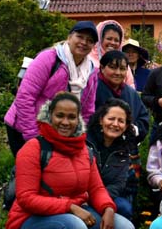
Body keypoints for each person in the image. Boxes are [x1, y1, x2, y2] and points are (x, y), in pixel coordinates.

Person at [5, 93, 135, 229]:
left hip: (73, 216)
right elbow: (26, 198)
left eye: (71, 117)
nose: (65, 122)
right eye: (60, 116)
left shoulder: (83, 149)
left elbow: (96, 188)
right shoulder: (34, 149)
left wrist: (108, 208)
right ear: (49, 116)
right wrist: (70, 207)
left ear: (78, 119)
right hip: (31, 221)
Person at [5, 21, 99, 157]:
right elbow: (25, 96)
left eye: (89, 40)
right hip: (24, 126)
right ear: (69, 37)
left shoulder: (90, 72)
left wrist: (77, 137)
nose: (84, 42)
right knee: (29, 172)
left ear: (93, 46)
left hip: (57, 131)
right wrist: (33, 136)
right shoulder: (49, 58)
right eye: (80, 37)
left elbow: (87, 110)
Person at [86, 99, 137, 220]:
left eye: (121, 121)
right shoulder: (85, 143)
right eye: (111, 119)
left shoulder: (125, 151)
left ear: (126, 126)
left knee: (125, 208)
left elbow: (119, 184)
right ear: (101, 120)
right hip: (83, 196)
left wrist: (100, 198)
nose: (115, 124)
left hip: (108, 196)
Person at [95, 50, 149, 145]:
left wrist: (132, 129)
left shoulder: (131, 93)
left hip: (125, 150)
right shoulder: (92, 88)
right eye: (113, 68)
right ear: (102, 68)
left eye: (123, 69)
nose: (118, 72)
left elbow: (143, 118)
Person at [91, 20, 134, 87]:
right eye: (109, 39)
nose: (113, 43)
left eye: (116, 40)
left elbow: (130, 86)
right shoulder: (89, 61)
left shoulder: (123, 63)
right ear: (100, 39)